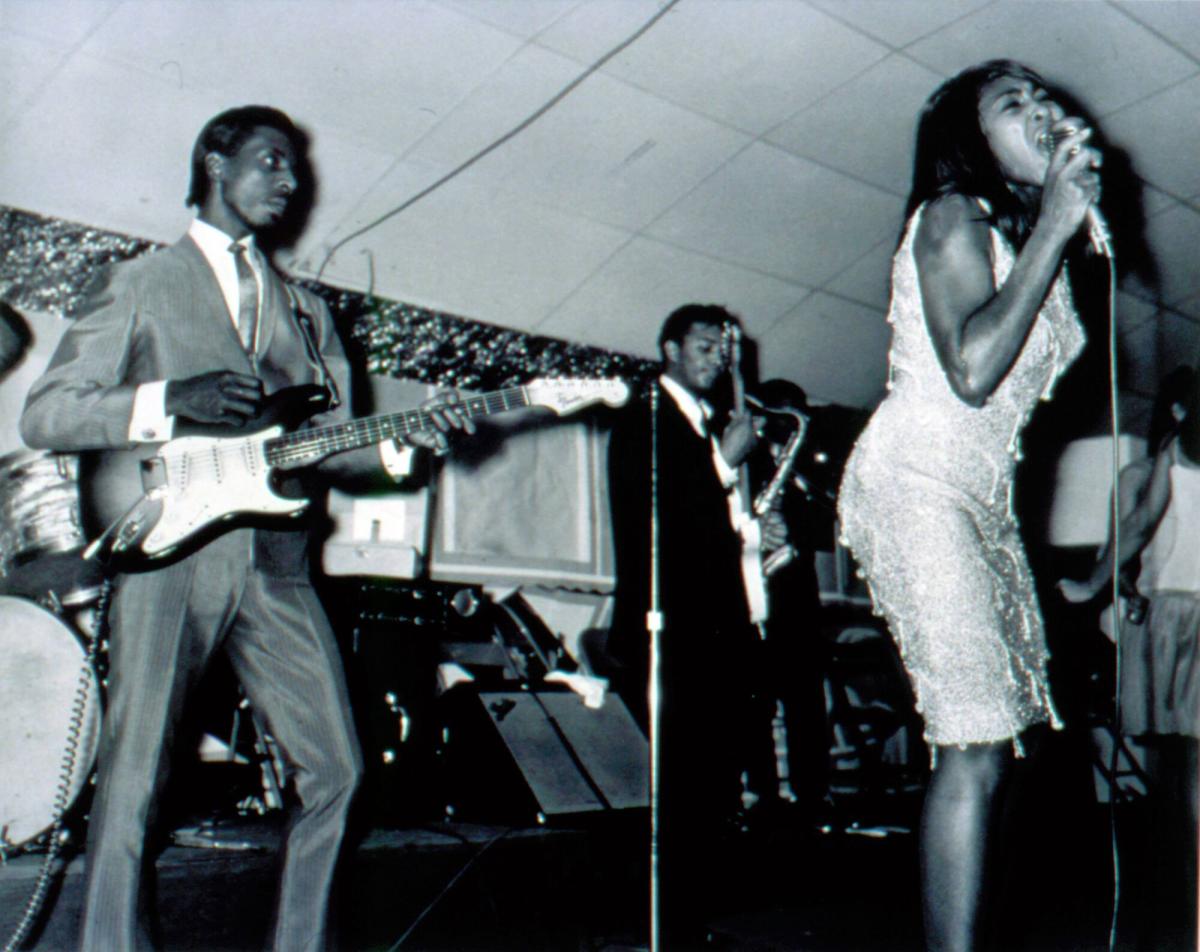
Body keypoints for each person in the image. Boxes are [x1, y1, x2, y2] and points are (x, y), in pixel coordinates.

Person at [20, 105, 468, 951]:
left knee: (337, 770)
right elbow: (46, 415)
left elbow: (329, 452)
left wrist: (402, 451)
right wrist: (161, 404)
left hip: (277, 564)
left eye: (294, 168)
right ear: (215, 163)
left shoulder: (308, 313)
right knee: (135, 778)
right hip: (168, 554)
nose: (290, 183)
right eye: (271, 162)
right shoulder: (141, 281)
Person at [836, 61, 1100, 951]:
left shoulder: (1030, 236)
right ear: (969, 138)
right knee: (974, 741)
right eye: (1013, 104)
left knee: (1008, 750)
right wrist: (1058, 224)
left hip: (981, 497)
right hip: (917, 481)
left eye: (1045, 99)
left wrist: (1059, 227)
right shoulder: (953, 216)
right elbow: (975, 370)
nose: (1043, 111)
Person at [605, 303, 778, 946]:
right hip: (668, 631)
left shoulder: (706, 424)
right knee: (677, 788)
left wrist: (753, 529)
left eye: (722, 349)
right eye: (705, 346)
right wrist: (722, 463)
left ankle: (686, 922)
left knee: (708, 787)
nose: (718, 359)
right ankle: (664, 926)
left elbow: (708, 529)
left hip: (714, 631)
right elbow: (656, 520)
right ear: (669, 347)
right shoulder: (643, 419)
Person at [1059, 365, 1199, 948]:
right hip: (1174, 608)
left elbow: (1140, 522)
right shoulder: (1163, 455)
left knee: (1186, 758)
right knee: (1184, 759)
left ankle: (1184, 888)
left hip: (1182, 614)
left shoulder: (1179, 448)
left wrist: (1093, 584)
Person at [741, 379, 831, 829]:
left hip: (797, 598)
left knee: (807, 701)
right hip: (756, 595)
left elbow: (822, 534)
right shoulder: (745, 462)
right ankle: (762, 793)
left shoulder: (804, 469)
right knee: (756, 701)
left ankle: (813, 794)